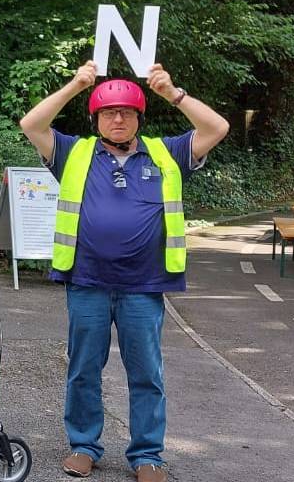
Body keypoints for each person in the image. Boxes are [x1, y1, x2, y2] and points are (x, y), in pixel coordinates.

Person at [19, 61, 228, 482]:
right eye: (109, 112)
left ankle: (148, 455)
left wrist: (172, 92)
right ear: (96, 119)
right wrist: (77, 85)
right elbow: (31, 123)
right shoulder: (73, 153)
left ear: (138, 118)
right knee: (83, 368)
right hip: (87, 282)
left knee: (147, 373)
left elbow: (217, 127)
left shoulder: (167, 153)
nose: (118, 118)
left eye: (127, 112)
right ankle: (83, 445)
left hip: (144, 285)